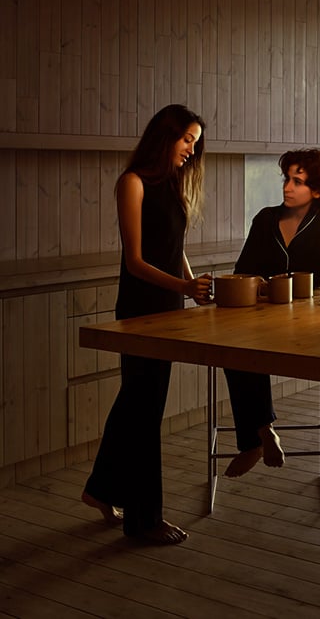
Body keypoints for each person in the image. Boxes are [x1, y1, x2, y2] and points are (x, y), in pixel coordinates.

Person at [81, 104, 213, 545]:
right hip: (139, 310)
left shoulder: (173, 185)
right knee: (145, 412)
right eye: (186, 140)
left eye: (195, 142)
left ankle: (100, 489)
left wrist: (191, 284)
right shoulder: (131, 183)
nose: (192, 151)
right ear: (165, 136)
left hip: (170, 308)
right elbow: (135, 261)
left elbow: (174, 247)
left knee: (137, 405)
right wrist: (183, 285)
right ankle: (144, 520)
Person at [222, 148, 320, 478]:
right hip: (264, 317)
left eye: (298, 181)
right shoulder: (265, 218)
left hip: (309, 319)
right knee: (233, 346)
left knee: (249, 347)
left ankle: (254, 438)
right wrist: (260, 285)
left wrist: (275, 285)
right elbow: (243, 270)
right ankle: (260, 436)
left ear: (317, 189)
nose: (288, 187)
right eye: (286, 179)